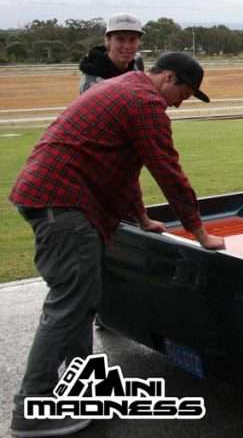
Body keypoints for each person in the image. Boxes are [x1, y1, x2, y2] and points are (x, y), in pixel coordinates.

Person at [8, 52, 225, 438]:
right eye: (184, 94)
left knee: (80, 301)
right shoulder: (145, 102)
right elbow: (167, 169)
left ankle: (81, 391)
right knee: (68, 305)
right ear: (169, 78)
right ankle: (32, 408)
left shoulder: (123, 89)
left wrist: (141, 218)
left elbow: (126, 170)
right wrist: (199, 231)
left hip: (54, 198)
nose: (178, 104)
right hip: (65, 205)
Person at [78, 12, 146, 93]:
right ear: (107, 40)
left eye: (132, 40)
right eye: (120, 39)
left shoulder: (136, 67)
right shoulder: (92, 82)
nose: (127, 46)